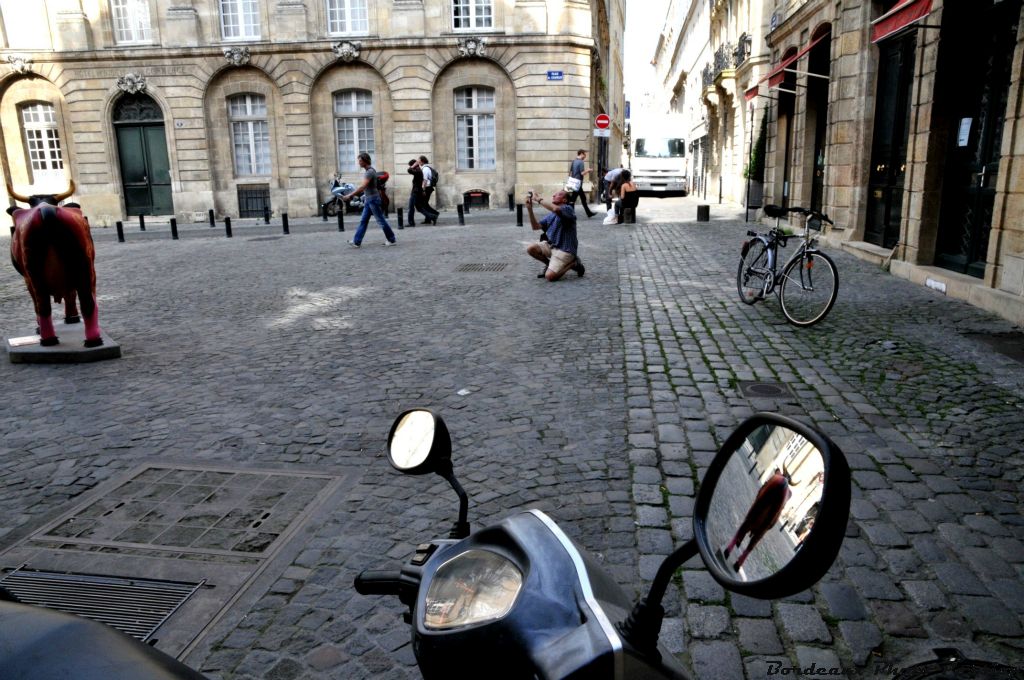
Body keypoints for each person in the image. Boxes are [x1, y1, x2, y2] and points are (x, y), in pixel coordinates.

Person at [723, 466, 794, 572]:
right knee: (758, 535)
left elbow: (761, 491)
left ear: (782, 474)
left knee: (748, 521)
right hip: (769, 519)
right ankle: (740, 562)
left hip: (761, 505)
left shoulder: (777, 477)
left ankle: (730, 547)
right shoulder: (788, 494)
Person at [525, 189, 585, 281]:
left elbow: (556, 209)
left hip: (565, 250)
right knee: (531, 248)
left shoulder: (568, 209)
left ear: (564, 200)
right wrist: (529, 209)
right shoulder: (551, 214)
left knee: (550, 277)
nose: (553, 195)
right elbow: (535, 226)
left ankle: (573, 263)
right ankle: (549, 264)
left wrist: (538, 199)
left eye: (558, 195)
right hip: (552, 246)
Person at [343, 152, 397, 247]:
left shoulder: (370, 172)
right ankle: (357, 241)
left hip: (373, 200)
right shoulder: (369, 171)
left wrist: (350, 195)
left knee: (380, 220)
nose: (358, 163)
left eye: (360, 160)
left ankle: (392, 239)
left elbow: (363, 186)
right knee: (363, 221)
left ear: (365, 161)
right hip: (369, 200)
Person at [406, 159, 439, 226]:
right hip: (417, 191)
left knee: (411, 207)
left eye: (410, 165)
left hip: (415, 192)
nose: (410, 166)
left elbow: (409, 170)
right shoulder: (419, 170)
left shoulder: (418, 171)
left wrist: (413, 165)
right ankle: (433, 216)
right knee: (419, 207)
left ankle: (411, 223)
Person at [568, 149, 596, 218]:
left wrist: (572, 180)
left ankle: (588, 213)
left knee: (582, 198)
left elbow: (570, 173)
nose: (585, 156)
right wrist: (588, 170)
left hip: (574, 182)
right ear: (581, 154)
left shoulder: (574, 161)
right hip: (578, 183)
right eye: (585, 154)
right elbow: (582, 173)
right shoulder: (581, 162)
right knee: (573, 199)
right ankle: (571, 214)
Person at [419, 155, 439, 220]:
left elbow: (425, 180)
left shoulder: (425, 169)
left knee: (423, 204)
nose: (418, 162)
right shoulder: (425, 168)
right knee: (425, 204)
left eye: (419, 160)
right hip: (428, 187)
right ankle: (428, 219)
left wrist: (423, 190)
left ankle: (435, 213)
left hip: (427, 188)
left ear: (422, 161)